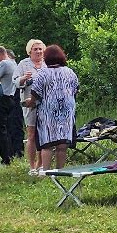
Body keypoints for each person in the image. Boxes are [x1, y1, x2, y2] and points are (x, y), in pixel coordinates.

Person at [28, 43, 80, 172]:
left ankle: (45, 170)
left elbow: (35, 92)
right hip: (67, 110)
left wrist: (30, 102)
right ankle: (60, 170)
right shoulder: (70, 72)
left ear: (47, 57)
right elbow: (76, 89)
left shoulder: (43, 73)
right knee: (62, 144)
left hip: (48, 111)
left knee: (48, 142)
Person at [15, 39, 46, 175]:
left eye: (40, 49)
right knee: (32, 134)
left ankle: (41, 164)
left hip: (46, 103)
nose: (38, 51)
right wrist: (23, 78)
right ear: (30, 51)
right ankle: (32, 166)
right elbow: (15, 82)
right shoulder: (23, 64)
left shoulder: (47, 63)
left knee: (44, 133)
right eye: (35, 49)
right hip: (29, 103)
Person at [0, 45, 21, 167]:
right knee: (8, 128)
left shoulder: (4, 63)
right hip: (11, 98)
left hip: (2, 98)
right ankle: (11, 152)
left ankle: (5, 158)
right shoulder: (13, 63)